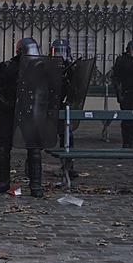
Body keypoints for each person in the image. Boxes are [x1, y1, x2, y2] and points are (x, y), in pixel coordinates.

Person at [0, 37, 45, 198]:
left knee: (33, 148)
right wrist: (5, 104)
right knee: (4, 147)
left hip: (29, 112)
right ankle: (3, 182)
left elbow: (47, 89)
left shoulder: (40, 68)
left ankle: (36, 185)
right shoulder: (9, 67)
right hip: (10, 112)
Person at [51, 38, 79, 177]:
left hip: (62, 105)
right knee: (39, 138)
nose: (60, 54)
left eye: (63, 51)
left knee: (67, 136)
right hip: (47, 106)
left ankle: (68, 166)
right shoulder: (46, 65)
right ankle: (33, 165)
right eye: (57, 51)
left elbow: (75, 86)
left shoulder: (69, 67)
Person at [112, 40, 133, 148]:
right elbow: (115, 76)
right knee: (126, 119)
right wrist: (118, 88)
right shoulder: (122, 60)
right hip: (126, 93)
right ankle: (126, 144)